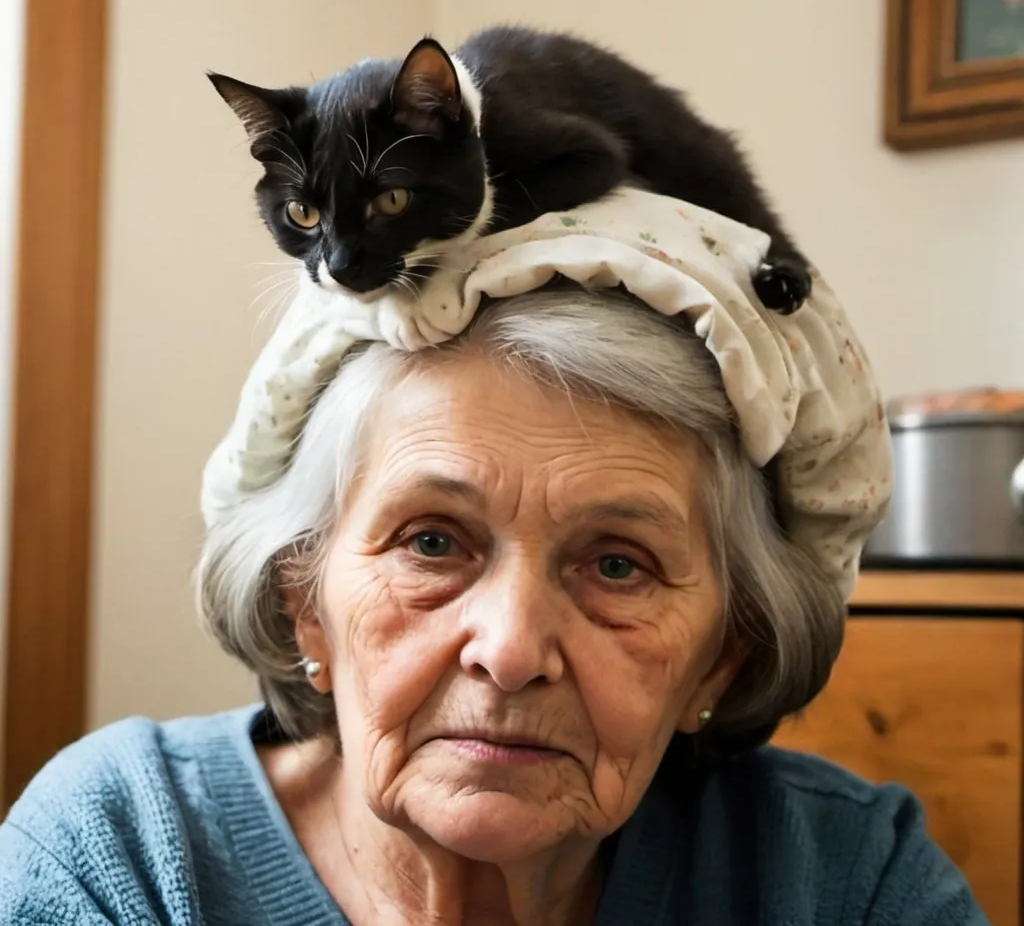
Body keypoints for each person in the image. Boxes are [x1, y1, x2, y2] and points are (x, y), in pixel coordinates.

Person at [0, 192, 988, 925]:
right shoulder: (125, 851)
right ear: (306, 601)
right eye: (431, 542)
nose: (510, 651)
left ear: (723, 657)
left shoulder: (843, 880)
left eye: (617, 566)